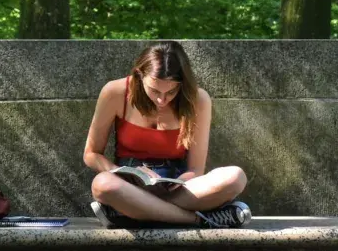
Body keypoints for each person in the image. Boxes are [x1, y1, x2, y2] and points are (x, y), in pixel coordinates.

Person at [83, 41, 252, 228]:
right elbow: (91, 154)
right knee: (103, 185)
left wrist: (181, 181)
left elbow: (196, 169)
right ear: (140, 76)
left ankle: (131, 213)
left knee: (236, 177)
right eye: (154, 90)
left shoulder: (198, 99)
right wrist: (119, 171)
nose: (161, 99)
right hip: (129, 186)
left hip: (176, 189)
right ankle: (200, 220)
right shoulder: (115, 92)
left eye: (171, 91)